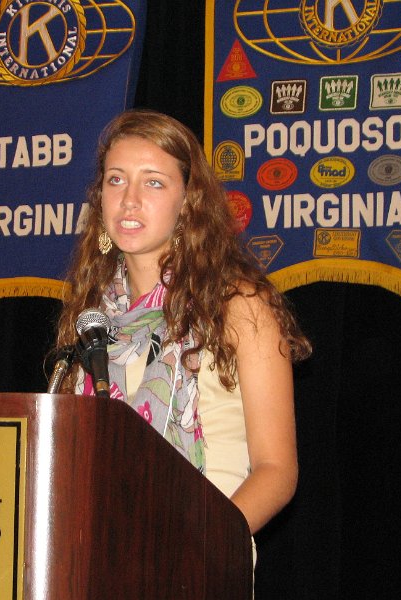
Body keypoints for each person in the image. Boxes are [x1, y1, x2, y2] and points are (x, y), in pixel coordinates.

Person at [53, 109, 311, 537]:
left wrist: (197, 546)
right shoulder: (93, 316)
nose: (129, 199)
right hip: (103, 553)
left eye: (153, 182)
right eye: (116, 180)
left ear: (189, 201)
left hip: (203, 555)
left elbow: (276, 471)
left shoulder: (237, 305)